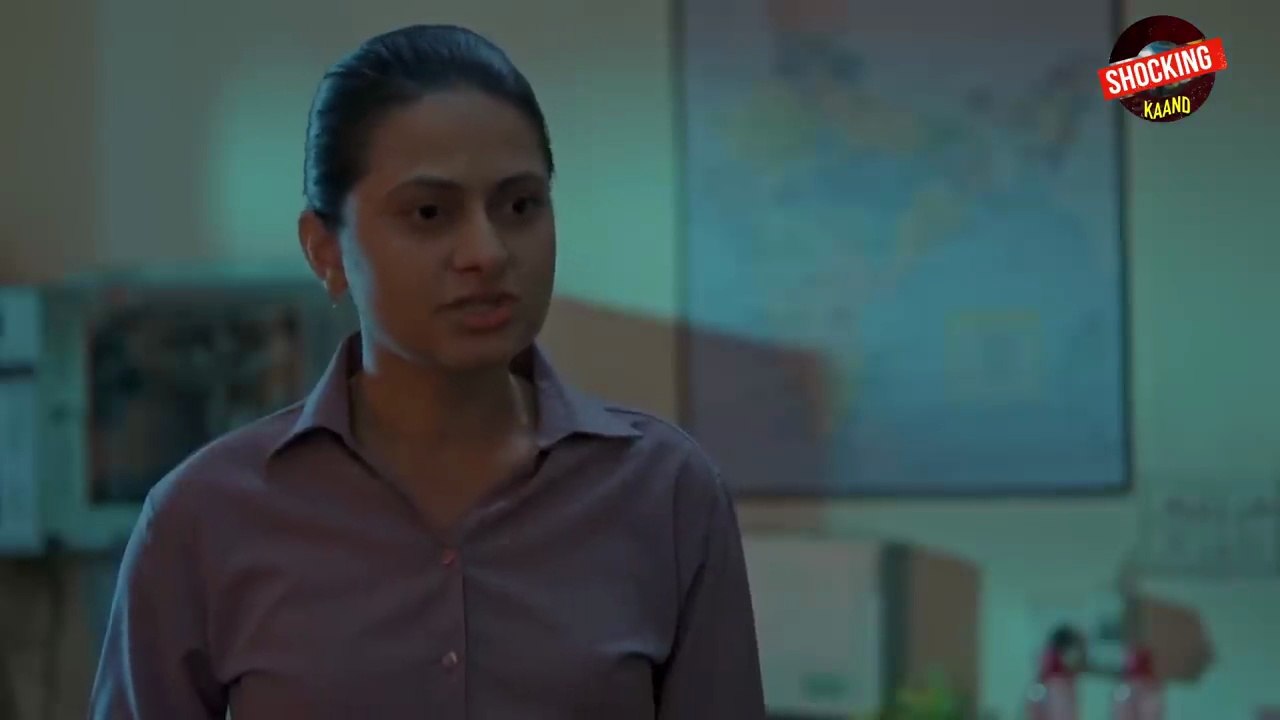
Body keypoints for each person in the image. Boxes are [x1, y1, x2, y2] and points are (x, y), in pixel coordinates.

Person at [88, 23, 765, 720]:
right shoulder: (203, 518)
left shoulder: (664, 495)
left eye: (520, 205)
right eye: (430, 212)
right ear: (325, 249)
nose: (487, 252)